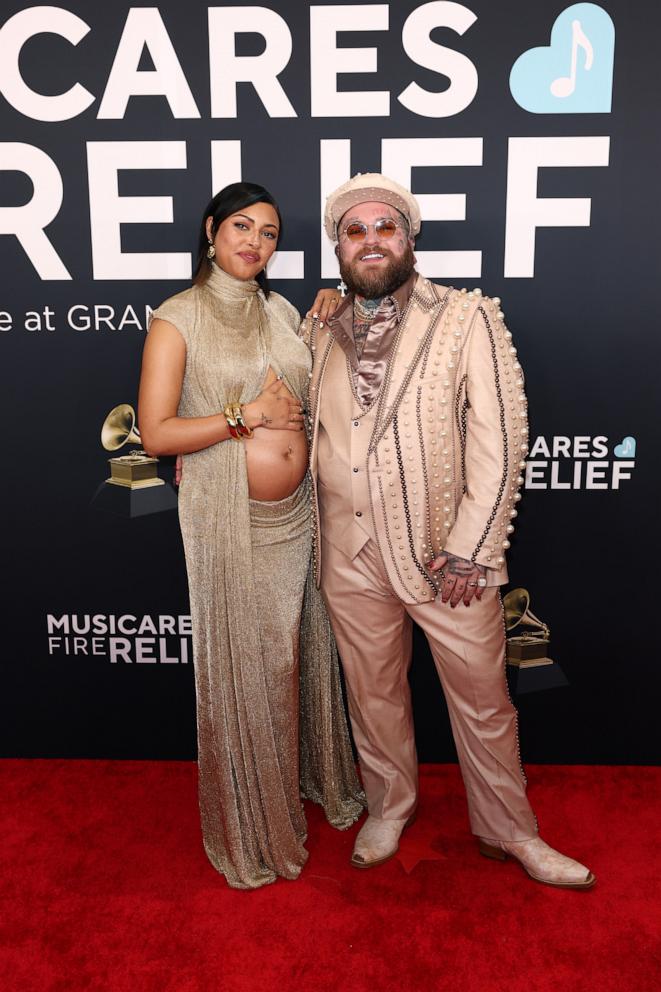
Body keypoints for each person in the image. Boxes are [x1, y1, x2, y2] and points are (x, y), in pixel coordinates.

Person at [301, 172, 595, 890]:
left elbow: (502, 439)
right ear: (338, 246)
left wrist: (473, 548)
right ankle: (388, 807)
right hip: (347, 550)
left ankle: (509, 831)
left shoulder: (466, 316)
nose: (370, 241)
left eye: (384, 227)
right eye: (353, 230)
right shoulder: (316, 324)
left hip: (445, 558)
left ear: (409, 237)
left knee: (484, 702)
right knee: (371, 694)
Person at [138, 182, 363, 890]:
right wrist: (241, 417)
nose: (254, 243)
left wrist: (327, 311)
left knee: (294, 664)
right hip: (230, 522)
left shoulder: (281, 309)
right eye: (241, 226)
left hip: (301, 520)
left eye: (267, 234)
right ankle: (255, 823)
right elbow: (156, 433)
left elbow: (312, 383)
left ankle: (304, 781)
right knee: (254, 672)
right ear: (210, 230)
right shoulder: (178, 319)